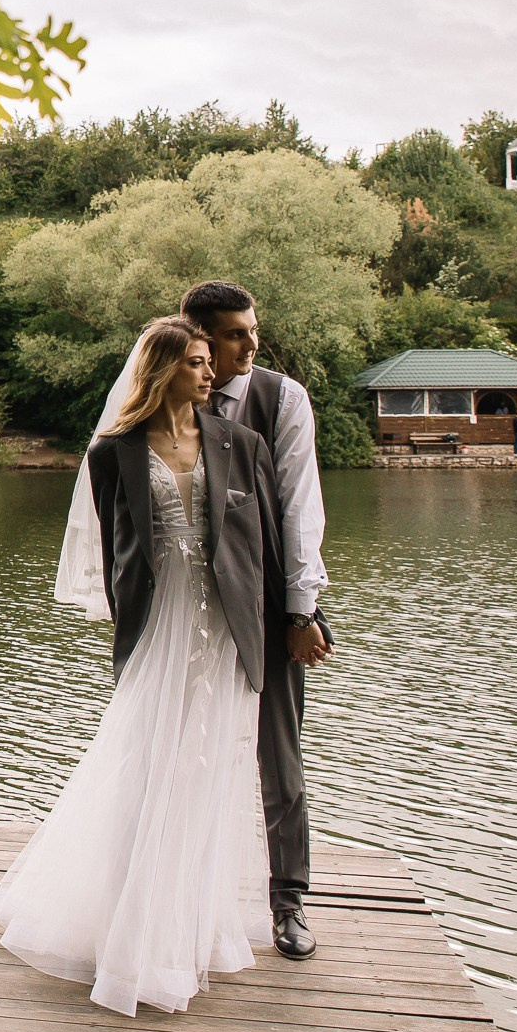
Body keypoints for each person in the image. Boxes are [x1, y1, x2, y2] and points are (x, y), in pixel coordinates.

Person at [0, 316, 287, 1014]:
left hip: (225, 627)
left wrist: (294, 621)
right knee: (149, 760)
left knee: (210, 766)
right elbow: (117, 548)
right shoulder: (113, 453)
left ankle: (188, 925)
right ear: (161, 371)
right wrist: (129, 617)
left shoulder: (241, 445)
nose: (210, 373)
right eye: (194, 362)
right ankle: (130, 925)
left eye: (211, 361)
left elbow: (264, 546)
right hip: (160, 623)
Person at [178, 280, 334, 962]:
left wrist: (303, 609)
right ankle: (172, 898)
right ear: (202, 337)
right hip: (186, 609)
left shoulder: (282, 398)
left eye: (253, 329)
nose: (252, 343)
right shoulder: (169, 399)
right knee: (176, 749)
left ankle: (289, 901)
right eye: (236, 333)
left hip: (270, 605)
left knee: (281, 758)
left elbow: (302, 508)